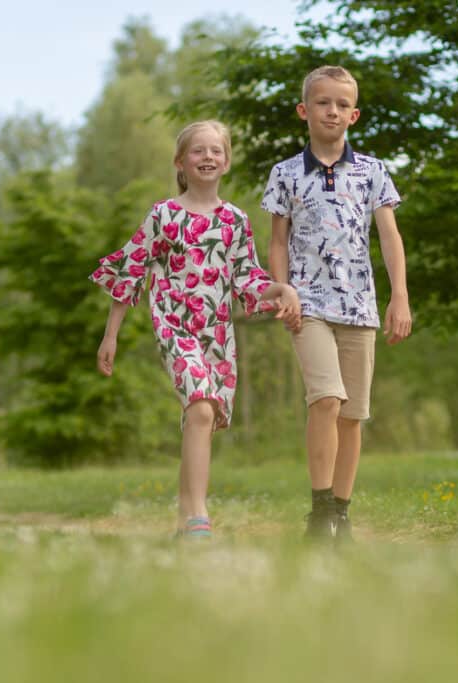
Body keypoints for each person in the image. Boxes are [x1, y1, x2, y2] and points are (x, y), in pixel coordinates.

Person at [91, 120, 301, 540]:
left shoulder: (235, 221)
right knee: (202, 407)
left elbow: (248, 280)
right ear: (180, 163)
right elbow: (129, 272)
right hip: (173, 326)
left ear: (226, 162)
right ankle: (198, 516)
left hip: (216, 333)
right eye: (198, 151)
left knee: (200, 417)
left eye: (215, 151)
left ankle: (184, 516)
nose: (207, 157)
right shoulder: (163, 215)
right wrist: (110, 335)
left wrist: (280, 288)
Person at [261, 65, 412, 543]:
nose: (332, 111)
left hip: (360, 306)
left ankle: (341, 515)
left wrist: (399, 299)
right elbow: (278, 242)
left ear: (354, 115)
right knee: (326, 399)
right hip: (307, 306)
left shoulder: (373, 171)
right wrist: (282, 289)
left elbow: (389, 237)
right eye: (323, 103)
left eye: (342, 104)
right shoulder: (285, 173)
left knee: (353, 415)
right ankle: (319, 511)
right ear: (305, 111)